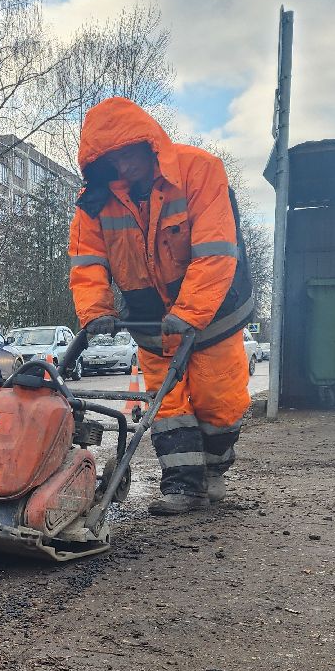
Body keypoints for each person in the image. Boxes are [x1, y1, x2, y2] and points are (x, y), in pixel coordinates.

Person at [67, 97, 253, 516]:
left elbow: (216, 251)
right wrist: (96, 312)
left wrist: (189, 311)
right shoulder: (95, 202)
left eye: (129, 154)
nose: (124, 167)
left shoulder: (199, 171)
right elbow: (88, 263)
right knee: (167, 407)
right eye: (113, 160)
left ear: (149, 144)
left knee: (218, 402)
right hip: (149, 318)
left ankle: (213, 472)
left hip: (214, 315)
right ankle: (183, 488)